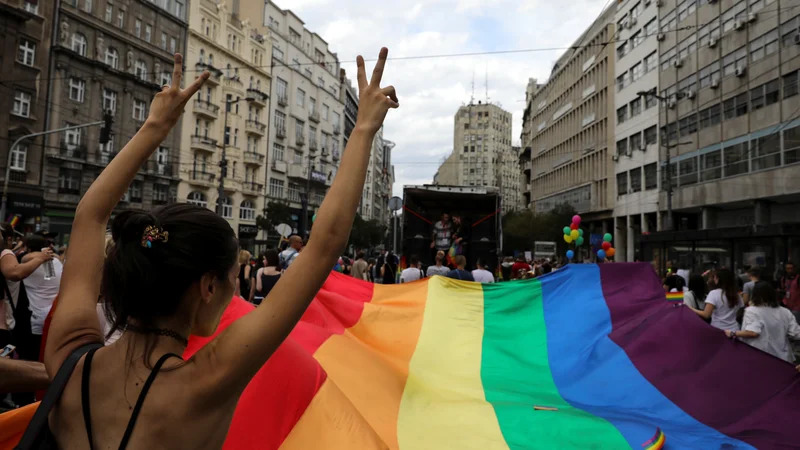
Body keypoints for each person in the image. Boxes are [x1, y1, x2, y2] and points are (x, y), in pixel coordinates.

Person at [42, 50, 397, 449]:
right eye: (231, 282)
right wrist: (364, 128)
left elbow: (88, 216)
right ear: (208, 287)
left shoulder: (68, 356)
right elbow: (325, 244)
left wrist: (155, 126)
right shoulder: (204, 383)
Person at [726, 281, 800, 363]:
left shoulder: (752, 311)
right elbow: (796, 333)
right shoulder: (785, 311)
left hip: (761, 357)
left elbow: (753, 332)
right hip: (783, 358)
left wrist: (733, 333)